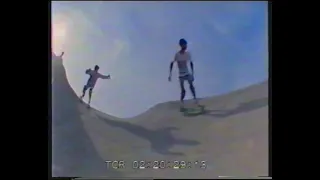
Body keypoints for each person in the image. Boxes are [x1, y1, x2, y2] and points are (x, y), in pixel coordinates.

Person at [168, 38, 198, 109]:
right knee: (183, 90)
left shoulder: (187, 54)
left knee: (191, 85)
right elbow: (172, 63)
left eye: (186, 45)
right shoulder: (177, 55)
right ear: (181, 45)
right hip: (181, 75)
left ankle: (195, 99)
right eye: (184, 45)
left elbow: (191, 63)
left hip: (187, 73)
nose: (186, 46)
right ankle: (181, 103)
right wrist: (170, 74)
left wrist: (192, 74)